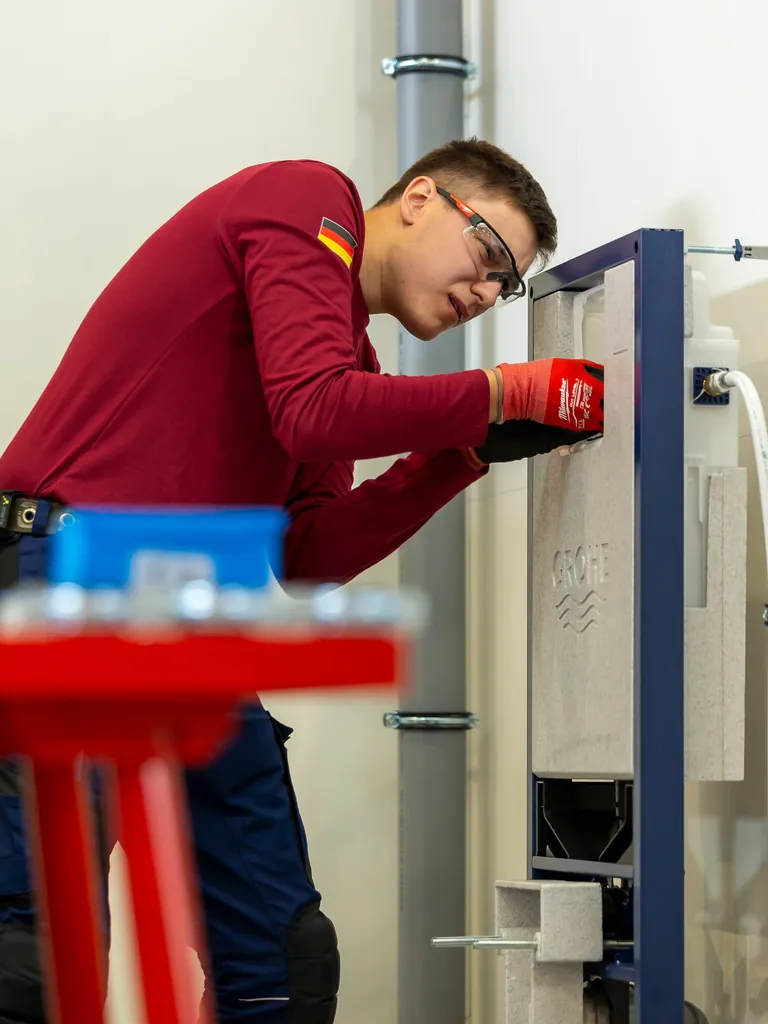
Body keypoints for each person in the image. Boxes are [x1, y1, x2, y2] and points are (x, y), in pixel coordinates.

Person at [0, 137, 603, 1023]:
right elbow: (314, 408)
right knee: (36, 953)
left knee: (283, 959)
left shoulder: (345, 363)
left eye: (502, 287)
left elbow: (303, 556)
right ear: (421, 198)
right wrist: (503, 390)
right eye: (487, 255)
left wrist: (460, 455)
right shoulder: (301, 196)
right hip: (71, 578)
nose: (483, 293)